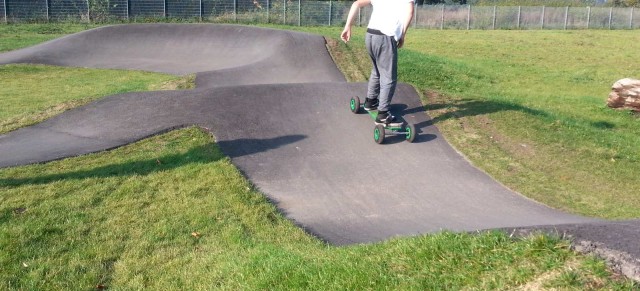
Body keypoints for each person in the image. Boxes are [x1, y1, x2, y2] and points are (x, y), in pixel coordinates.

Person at [341, 0, 414, 124]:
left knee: (377, 70)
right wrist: (402, 34)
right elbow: (410, 11)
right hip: (385, 37)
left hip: (370, 35)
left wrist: (347, 26)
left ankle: (371, 101)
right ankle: (383, 114)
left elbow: (356, 4)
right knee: (389, 77)